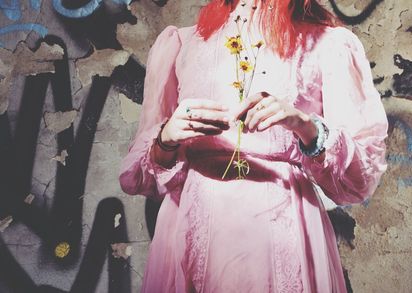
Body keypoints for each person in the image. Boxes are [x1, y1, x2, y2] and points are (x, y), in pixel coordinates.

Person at [119, 0, 388, 292]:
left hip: (282, 229)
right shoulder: (181, 44)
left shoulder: (327, 43)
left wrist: (305, 126)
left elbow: (359, 180)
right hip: (189, 226)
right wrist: (166, 138)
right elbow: (137, 179)